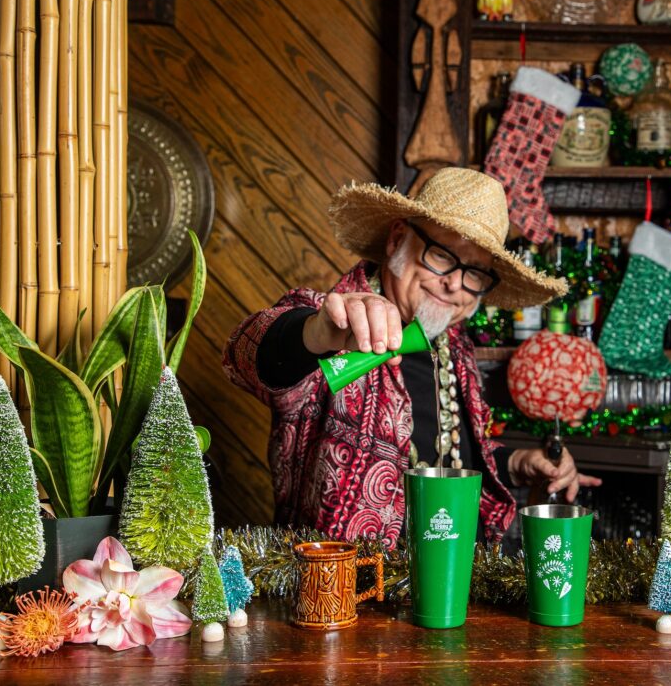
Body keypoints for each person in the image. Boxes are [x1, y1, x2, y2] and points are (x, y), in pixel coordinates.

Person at [223, 167, 601, 547]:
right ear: (398, 240)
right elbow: (249, 356)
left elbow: (449, 457)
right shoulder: (328, 319)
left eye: (474, 273)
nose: (455, 283)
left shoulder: (454, 344)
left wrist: (516, 464)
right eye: (441, 255)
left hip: (447, 589)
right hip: (336, 592)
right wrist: (317, 332)